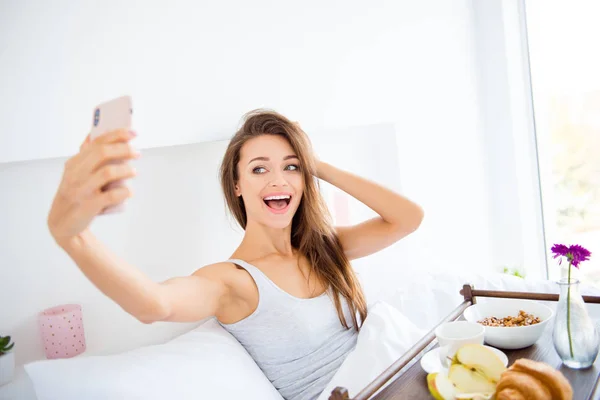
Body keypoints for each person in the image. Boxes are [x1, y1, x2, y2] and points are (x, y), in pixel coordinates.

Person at [47, 109, 424, 400]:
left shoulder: (323, 247)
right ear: (238, 185)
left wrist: (317, 166)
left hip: (406, 375)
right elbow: (155, 304)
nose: (278, 180)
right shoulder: (232, 280)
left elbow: (407, 219)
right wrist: (74, 239)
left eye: (290, 167)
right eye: (259, 169)